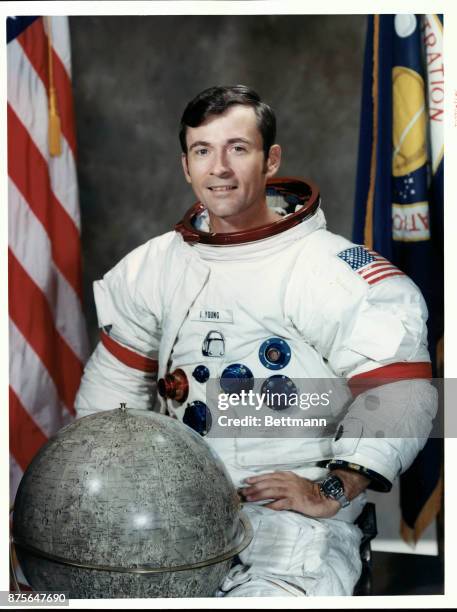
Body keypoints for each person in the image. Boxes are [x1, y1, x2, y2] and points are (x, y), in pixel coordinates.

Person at [75, 85, 437, 597]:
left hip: (296, 530)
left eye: (237, 149)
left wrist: (334, 488)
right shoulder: (155, 266)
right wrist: (104, 490)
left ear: (271, 160)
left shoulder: (330, 270)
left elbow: (406, 393)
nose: (219, 168)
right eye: (203, 150)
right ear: (185, 165)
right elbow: (111, 395)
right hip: (172, 516)